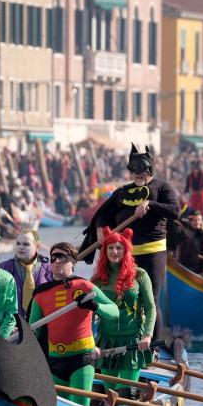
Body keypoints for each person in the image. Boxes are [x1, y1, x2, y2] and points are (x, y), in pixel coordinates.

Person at [81, 144, 179, 339]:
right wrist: (100, 229)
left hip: (153, 254)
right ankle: (120, 338)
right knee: (123, 298)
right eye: (134, 170)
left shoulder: (162, 187)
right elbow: (103, 215)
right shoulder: (122, 192)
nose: (137, 174)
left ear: (149, 170)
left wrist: (150, 204)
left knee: (150, 299)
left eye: (142, 170)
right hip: (125, 256)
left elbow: (174, 210)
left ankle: (153, 346)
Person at [28, 242, 119, 406]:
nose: (56, 261)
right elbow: (32, 331)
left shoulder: (84, 286)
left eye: (62, 257)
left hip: (82, 358)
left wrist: (95, 306)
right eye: (53, 257)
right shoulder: (40, 295)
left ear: (73, 262)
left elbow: (114, 311)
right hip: (55, 359)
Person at [90, 227, 156, 395]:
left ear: (126, 250)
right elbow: (88, 314)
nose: (114, 251)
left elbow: (150, 308)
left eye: (119, 247)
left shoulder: (140, 275)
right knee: (110, 393)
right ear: (105, 250)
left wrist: (147, 335)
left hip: (133, 342)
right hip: (106, 342)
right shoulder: (96, 280)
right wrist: (90, 343)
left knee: (126, 393)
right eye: (110, 247)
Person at [0, 229, 52, 318]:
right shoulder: (3, 268)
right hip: (14, 323)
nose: (20, 247)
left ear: (37, 247)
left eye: (26, 244)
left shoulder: (50, 269)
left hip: (42, 321)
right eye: (18, 243)